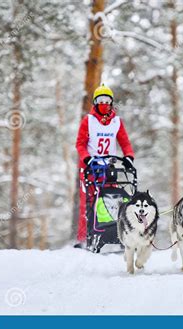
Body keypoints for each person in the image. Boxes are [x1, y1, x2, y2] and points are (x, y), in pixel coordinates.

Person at [75, 84, 135, 248]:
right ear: (95, 102)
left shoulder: (116, 122)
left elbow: (125, 143)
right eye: (100, 100)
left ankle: (114, 232)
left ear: (111, 102)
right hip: (91, 168)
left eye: (107, 100)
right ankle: (84, 238)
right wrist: (86, 158)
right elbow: (80, 144)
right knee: (88, 202)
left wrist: (129, 157)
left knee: (112, 199)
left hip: (110, 167)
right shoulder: (88, 121)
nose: (104, 103)